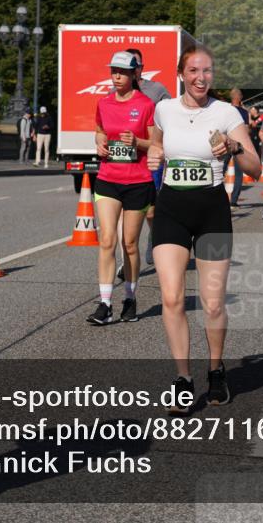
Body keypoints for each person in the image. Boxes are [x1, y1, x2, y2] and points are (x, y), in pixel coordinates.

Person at [146, 44, 260, 413]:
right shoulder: (163, 109)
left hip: (211, 210)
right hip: (171, 209)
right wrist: (152, 154)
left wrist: (232, 146)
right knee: (173, 298)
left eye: (207, 71)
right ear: (181, 74)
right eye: (193, 71)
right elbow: (156, 145)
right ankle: (182, 377)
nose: (201, 78)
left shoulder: (226, 112)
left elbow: (256, 167)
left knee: (212, 304)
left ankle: (215, 369)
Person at [87, 52, 156, 325]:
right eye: (113, 71)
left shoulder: (147, 104)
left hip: (138, 181)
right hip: (108, 177)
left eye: (122, 72)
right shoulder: (103, 103)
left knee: (129, 243)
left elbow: (156, 144)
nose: (116, 76)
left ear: (134, 74)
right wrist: (100, 142)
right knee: (106, 240)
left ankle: (129, 297)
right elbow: (99, 129)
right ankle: (105, 303)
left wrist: (137, 142)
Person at [128, 47, 170, 266]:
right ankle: (126, 260)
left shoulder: (156, 89)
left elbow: (171, 116)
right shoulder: (114, 93)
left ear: (141, 68)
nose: (132, 69)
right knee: (127, 214)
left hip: (151, 157)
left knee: (151, 213)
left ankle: (154, 238)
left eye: (136, 65)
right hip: (125, 161)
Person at [223, 87, 250, 208]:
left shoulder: (226, 110)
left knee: (220, 171)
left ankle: (219, 198)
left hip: (227, 142)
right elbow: (247, 130)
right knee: (239, 174)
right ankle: (233, 200)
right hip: (239, 143)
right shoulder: (244, 112)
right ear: (239, 98)